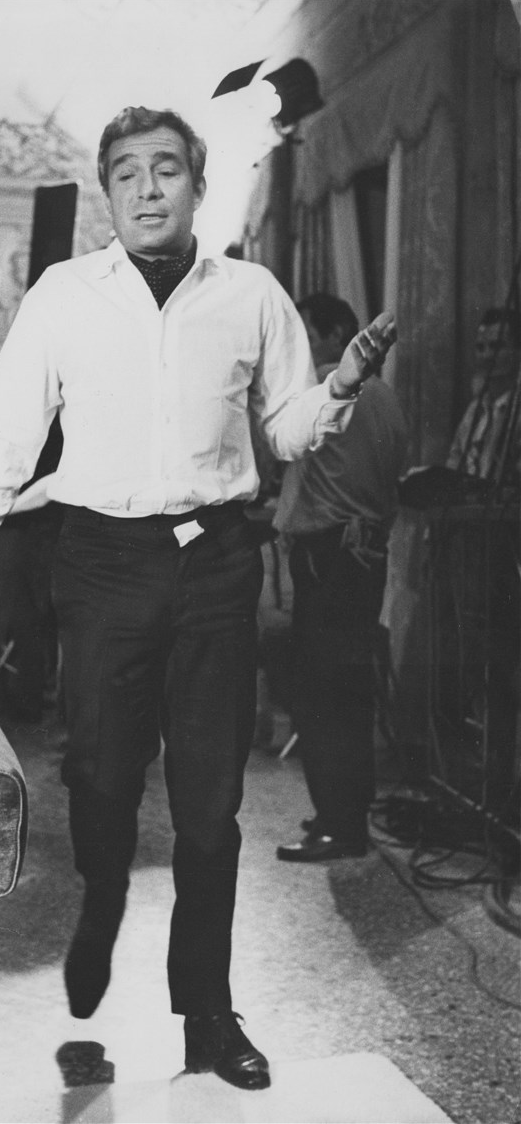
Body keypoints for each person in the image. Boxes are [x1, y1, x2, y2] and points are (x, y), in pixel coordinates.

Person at [0, 107, 396, 1091]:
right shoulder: (65, 295)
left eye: (166, 168)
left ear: (197, 185)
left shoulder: (251, 294)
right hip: (101, 562)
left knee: (211, 803)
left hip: (216, 560)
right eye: (127, 172)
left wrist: (342, 385)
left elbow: (286, 424)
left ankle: (207, 1013)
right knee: (102, 778)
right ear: (108, 193)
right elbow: (6, 432)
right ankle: (100, 894)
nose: (147, 187)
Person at [274, 292, 408, 862]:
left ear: (336, 336)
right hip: (363, 555)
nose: (303, 348)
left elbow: (286, 450)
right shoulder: (387, 399)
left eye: (308, 335)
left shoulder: (328, 392)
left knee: (321, 694)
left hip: (327, 556)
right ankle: (345, 811)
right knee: (349, 693)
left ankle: (338, 825)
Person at [0, 415, 63, 721]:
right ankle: (12, 701)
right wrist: (0, 511)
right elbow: (49, 485)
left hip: (25, 528)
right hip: (17, 531)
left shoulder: (47, 420)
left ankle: (24, 699)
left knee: (30, 616)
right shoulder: (30, 421)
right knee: (17, 616)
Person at [446, 307, 520, 484]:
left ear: (518, 352)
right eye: (480, 348)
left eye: (497, 346)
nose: (486, 355)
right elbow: (454, 464)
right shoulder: (474, 411)